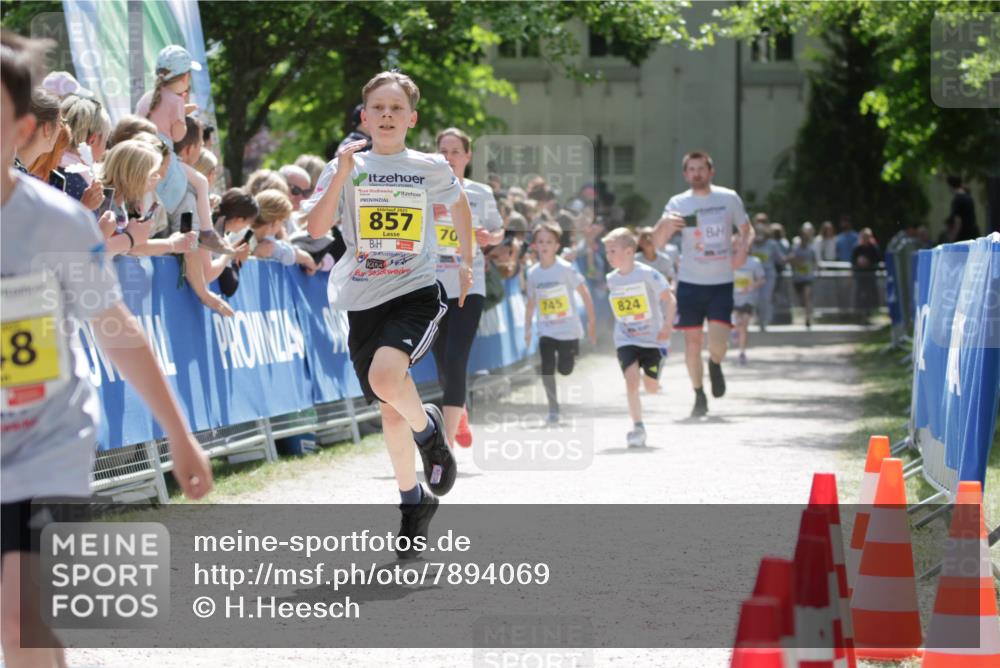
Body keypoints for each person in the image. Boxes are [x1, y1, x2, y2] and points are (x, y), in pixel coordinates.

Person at [1, 31, 213, 668]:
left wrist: (179, 432)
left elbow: (115, 327)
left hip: (46, 441)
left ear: (22, 127)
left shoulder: (55, 221)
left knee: (20, 617)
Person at [302, 71, 473, 559]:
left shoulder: (429, 166)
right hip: (363, 297)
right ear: (364, 115)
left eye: (396, 108)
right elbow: (316, 228)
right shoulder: (345, 165)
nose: (386, 116)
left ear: (411, 118)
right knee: (389, 408)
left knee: (385, 378)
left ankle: (430, 434)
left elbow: (459, 206)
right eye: (378, 107)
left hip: (415, 290)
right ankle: (413, 501)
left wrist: (464, 259)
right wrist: (338, 175)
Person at [652, 150, 752, 417]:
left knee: (718, 343)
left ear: (711, 171)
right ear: (686, 174)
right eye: (692, 169)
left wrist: (743, 249)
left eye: (701, 168)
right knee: (692, 343)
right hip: (690, 282)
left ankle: (716, 364)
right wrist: (663, 224)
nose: (697, 173)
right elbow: (658, 244)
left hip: (721, 281)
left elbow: (746, 229)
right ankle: (698, 395)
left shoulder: (728, 198)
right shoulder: (678, 203)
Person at [430, 127, 505, 447]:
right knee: (441, 361)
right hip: (430, 286)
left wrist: (490, 238)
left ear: (468, 156)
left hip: (468, 286)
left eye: (455, 151)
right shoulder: (425, 190)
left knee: (456, 356)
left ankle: (445, 442)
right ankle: (458, 412)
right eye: (443, 151)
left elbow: (499, 232)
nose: (449, 157)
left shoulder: (480, 193)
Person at [602, 227, 675, 447]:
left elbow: (670, 300)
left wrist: (668, 326)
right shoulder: (611, 279)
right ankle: (638, 427)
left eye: (613, 250)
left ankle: (655, 373)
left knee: (651, 388)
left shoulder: (647, 274)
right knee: (631, 381)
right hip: (626, 338)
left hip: (653, 339)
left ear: (629, 251)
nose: (609, 256)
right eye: (607, 251)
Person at [524, 221, 597, 425]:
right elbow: (531, 303)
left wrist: (591, 323)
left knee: (565, 369)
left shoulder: (565, 269)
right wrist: (528, 327)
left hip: (568, 330)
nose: (544, 245)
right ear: (535, 246)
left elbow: (585, 293)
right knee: (547, 367)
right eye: (540, 241)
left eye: (549, 241)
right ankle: (553, 408)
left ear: (557, 245)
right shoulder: (533, 273)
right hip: (546, 329)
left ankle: (572, 354)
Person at [56, 92, 109, 209]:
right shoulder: (80, 185)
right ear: (92, 140)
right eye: (106, 140)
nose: (105, 149)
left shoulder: (50, 167)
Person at [250, 188, 316, 273]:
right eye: (282, 221)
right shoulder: (242, 235)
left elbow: (286, 251)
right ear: (274, 221)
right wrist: (256, 254)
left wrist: (307, 258)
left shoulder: (267, 242)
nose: (282, 226)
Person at [731, 248, 766, 365]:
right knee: (738, 323)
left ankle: (742, 352)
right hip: (733, 298)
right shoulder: (730, 260)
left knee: (744, 325)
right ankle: (734, 329)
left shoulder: (755, 262)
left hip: (749, 298)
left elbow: (762, 279)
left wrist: (751, 286)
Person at [748, 214, 782, 332]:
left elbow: (780, 259)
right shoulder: (750, 243)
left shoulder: (772, 244)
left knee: (765, 298)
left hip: (768, 275)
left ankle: (764, 321)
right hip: (754, 275)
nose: (759, 235)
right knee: (755, 298)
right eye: (757, 232)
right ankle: (758, 318)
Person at [786, 222, 819, 329]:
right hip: (798, 278)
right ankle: (807, 313)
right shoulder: (795, 247)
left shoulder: (811, 248)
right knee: (802, 300)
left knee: (807, 296)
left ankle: (808, 318)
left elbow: (815, 261)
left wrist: (816, 269)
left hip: (808, 277)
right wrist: (796, 261)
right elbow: (789, 259)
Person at [851, 227, 881, 323]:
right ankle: (860, 314)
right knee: (860, 295)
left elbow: (877, 260)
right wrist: (859, 263)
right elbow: (852, 261)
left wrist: (869, 263)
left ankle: (868, 314)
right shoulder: (857, 248)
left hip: (870, 276)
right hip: (860, 276)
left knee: (869, 295)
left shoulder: (874, 248)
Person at [946, 175, 980, 241]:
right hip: (972, 234)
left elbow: (958, 221)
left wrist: (952, 237)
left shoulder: (957, 200)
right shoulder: (969, 197)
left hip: (963, 237)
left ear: (950, 186)